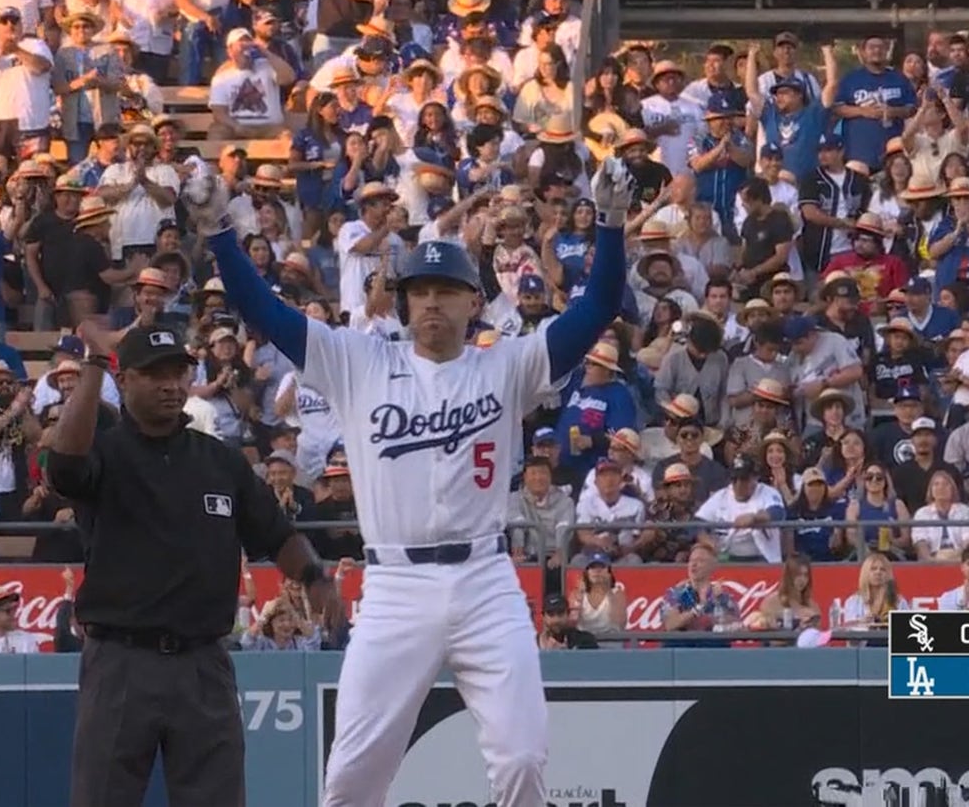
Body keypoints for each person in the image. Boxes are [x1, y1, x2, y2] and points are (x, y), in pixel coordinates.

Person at [200, 159, 629, 807]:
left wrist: (613, 225)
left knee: (520, 762)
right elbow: (262, 308)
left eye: (445, 289)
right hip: (396, 586)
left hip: (486, 579)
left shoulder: (505, 366)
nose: (432, 300)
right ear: (402, 302)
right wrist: (218, 235)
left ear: (473, 301)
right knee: (349, 779)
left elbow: (596, 308)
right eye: (420, 290)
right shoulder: (357, 359)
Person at [45, 324, 330, 807]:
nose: (171, 385)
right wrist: (95, 363)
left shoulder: (221, 461)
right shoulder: (105, 452)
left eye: (179, 372)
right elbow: (63, 467)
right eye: (155, 374)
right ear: (127, 379)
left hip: (204, 663)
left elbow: (275, 535)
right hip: (121, 660)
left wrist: (313, 576)